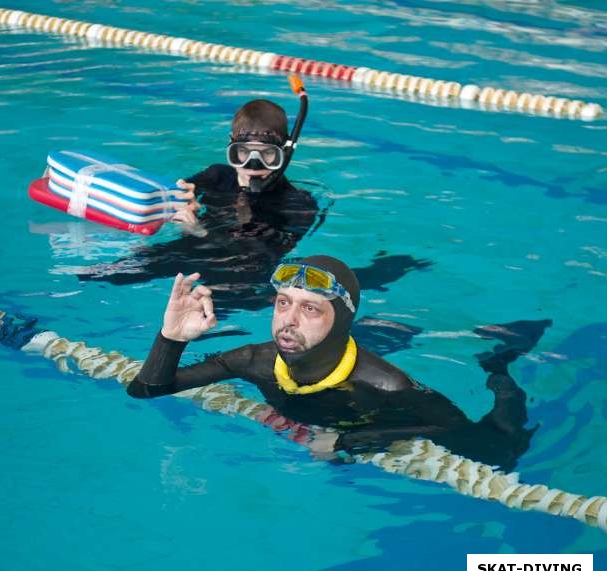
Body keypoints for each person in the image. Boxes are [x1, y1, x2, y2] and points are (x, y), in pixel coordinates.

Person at [127, 255, 548, 471]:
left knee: (502, 452)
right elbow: (147, 391)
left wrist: (350, 442)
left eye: (310, 310)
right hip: (333, 428)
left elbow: (457, 432)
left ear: (342, 321)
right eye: (283, 303)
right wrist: (171, 337)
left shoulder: (385, 384)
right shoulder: (254, 359)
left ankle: (500, 362)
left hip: (399, 420)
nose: (287, 322)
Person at [76, 81, 432, 317]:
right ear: (230, 148)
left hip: (246, 279)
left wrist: (199, 231)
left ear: (285, 154)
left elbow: (257, 258)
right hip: (192, 252)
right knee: (99, 277)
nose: (253, 166)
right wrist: (178, 198)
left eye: (267, 156)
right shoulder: (217, 175)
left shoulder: (299, 204)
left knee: (208, 316)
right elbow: (176, 190)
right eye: (242, 153)